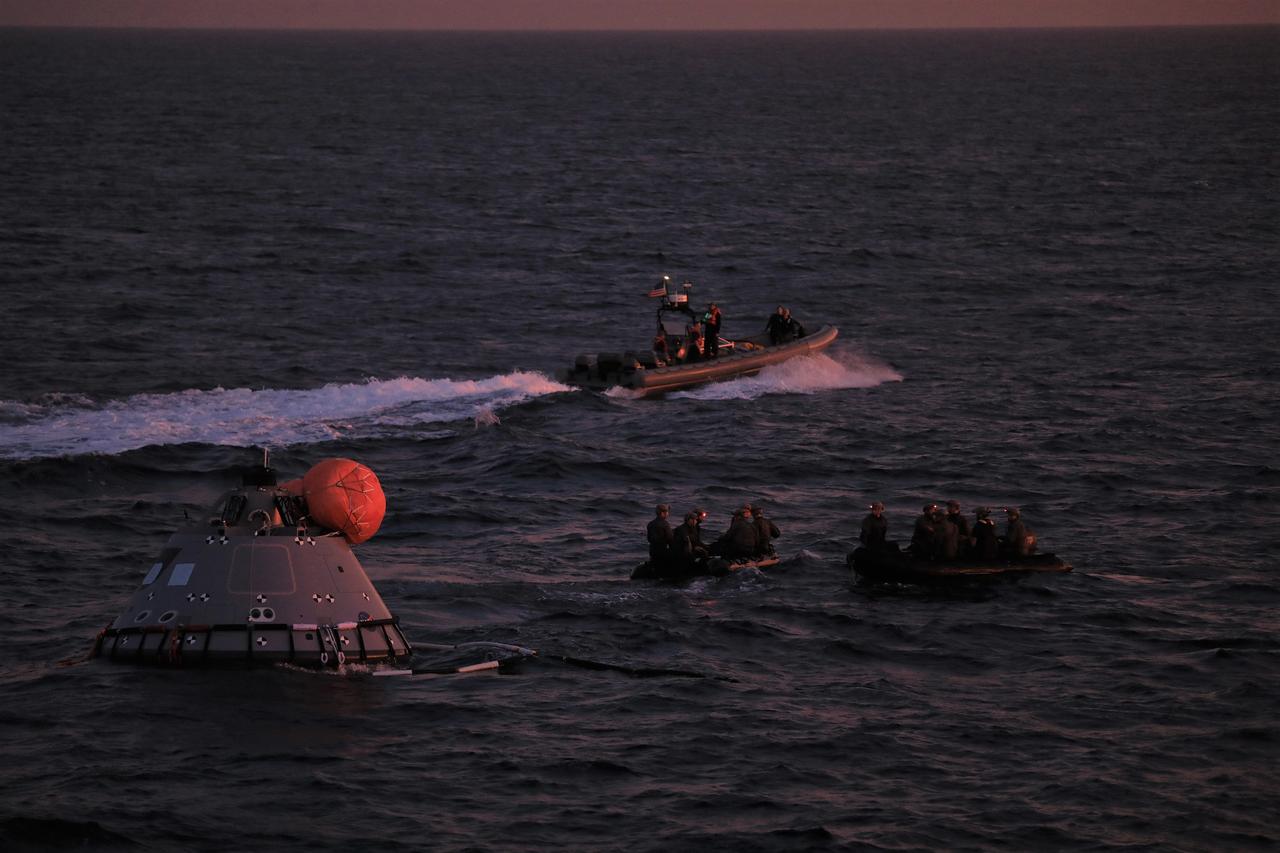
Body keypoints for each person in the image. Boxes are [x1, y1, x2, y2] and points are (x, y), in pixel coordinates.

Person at [671, 510, 709, 576]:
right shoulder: (681, 530)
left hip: (690, 550)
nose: (696, 521)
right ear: (690, 520)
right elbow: (683, 545)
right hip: (682, 553)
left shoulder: (694, 529)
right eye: (695, 520)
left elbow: (696, 541)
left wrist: (705, 547)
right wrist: (694, 548)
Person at [647, 504, 674, 568]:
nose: (668, 514)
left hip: (652, 551)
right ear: (662, 513)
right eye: (667, 512)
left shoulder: (650, 524)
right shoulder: (665, 524)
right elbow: (670, 539)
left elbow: (649, 539)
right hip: (662, 551)